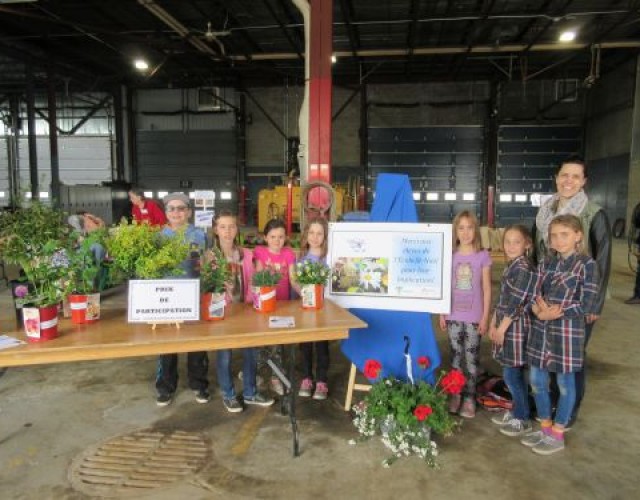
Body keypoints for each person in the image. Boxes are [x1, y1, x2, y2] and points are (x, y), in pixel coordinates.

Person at [533, 156, 611, 425]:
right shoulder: (545, 210)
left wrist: (594, 306)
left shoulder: (594, 213)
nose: (568, 181)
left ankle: (570, 410)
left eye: (575, 176)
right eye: (564, 175)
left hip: (579, 298)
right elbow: (538, 252)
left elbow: (603, 260)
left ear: (584, 182)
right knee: (547, 352)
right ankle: (550, 404)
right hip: (548, 294)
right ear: (556, 178)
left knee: (572, 357)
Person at [522, 214, 599, 455]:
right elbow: (533, 292)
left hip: (567, 335)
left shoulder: (587, 265)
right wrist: (537, 309)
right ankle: (544, 427)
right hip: (540, 333)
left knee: (565, 385)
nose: (558, 240)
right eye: (554, 235)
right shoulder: (545, 263)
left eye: (564, 234)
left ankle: (558, 432)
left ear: (578, 236)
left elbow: (587, 304)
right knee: (537, 382)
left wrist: (555, 313)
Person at [211, 210, 274, 412]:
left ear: (237, 229)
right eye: (223, 227)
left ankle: (250, 392)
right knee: (225, 356)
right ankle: (228, 395)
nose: (228, 231)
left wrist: (265, 275)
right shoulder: (210, 257)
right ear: (215, 230)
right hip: (222, 314)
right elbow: (207, 288)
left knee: (251, 352)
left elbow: (257, 279)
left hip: (247, 312)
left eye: (231, 226)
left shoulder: (247, 255)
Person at [154, 192, 209, 407]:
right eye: (171, 209)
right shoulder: (159, 237)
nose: (176, 212)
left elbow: (202, 263)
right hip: (167, 297)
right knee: (167, 344)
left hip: (193, 296)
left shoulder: (198, 235)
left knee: (196, 343)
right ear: (166, 213)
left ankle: (199, 384)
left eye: (181, 208)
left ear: (189, 212)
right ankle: (166, 386)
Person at [439, 210, 492, 418]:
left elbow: (487, 289)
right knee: (455, 358)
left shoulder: (483, 256)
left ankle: (469, 397)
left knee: (471, 359)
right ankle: (455, 394)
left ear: (475, 230)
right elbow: (444, 286)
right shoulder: (450, 256)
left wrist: (485, 316)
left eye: (470, 227)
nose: (466, 232)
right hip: (453, 315)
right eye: (461, 227)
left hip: (474, 317)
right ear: (456, 231)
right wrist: (442, 313)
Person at [489, 225, 537, 436]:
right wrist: (492, 322)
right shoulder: (512, 265)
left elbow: (517, 303)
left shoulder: (524, 267)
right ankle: (518, 409)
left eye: (516, 242)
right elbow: (501, 300)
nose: (510, 246)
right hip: (504, 325)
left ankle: (522, 417)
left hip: (515, 328)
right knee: (511, 374)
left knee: (512, 375)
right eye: (507, 241)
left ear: (527, 244)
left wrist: (501, 328)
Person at [253, 218, 296, 395]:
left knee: (278, 345)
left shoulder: (288, 254)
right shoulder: (260, 252)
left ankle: (276, 378)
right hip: (264, 305)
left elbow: (293, 280)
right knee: (260, 342)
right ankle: (256, 372)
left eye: (280, 237)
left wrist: (307, 294)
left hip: (282, 306)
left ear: (286, 237)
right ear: (265, 237)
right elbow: (258, 278)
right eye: (272, 236)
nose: (277, 240)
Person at [290, 218, 330, 400]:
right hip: (306, 308)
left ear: (325, 236)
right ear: (306, 235)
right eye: (311, 233)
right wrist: (306, 294)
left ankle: (321, 380)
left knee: (322, 345)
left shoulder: (329, 256)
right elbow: (296, 282)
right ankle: (307, 378)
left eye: (319, 233)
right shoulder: (301, 257)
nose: (315, 237)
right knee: (305, 345)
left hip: (324, 309)